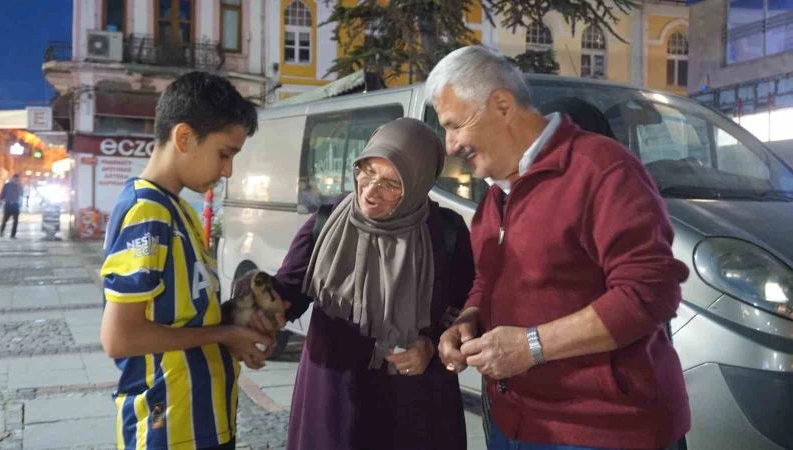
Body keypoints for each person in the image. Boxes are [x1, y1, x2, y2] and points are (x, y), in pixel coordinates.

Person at [428, 46, 691, 450]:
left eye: (453, 125)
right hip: (515, 424)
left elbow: (649, 293)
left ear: (501, 105)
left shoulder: (601, 169)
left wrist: (531, 346)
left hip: (603, 430)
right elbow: (487, 277)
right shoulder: (494, 197)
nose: (448, 146)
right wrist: (469, 318)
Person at [271, 118, 474, 450]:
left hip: (414, 407)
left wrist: (430, 347)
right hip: (333, 402)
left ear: (419, 182)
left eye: (392, 183)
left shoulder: (446, 234)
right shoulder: (326, 221)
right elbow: (288, 291)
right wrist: (263, 311)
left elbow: (465, 312)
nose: (369, 191)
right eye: (366, 172)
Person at [99, 71, 277, 450]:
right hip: (167, 430)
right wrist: (224, 334)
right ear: (184, 138)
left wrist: (237, 320)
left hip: (205, 421)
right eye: (224, 154)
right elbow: (120, 337)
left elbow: (183, 312)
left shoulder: (180, 211)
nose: (227, 170)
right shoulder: (147, 212)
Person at [0, 173, 23, 239]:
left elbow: (22, 194)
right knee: (5, 220)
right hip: (8, 205)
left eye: (17, 179)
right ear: (12, 178)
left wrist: (19, 186)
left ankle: (13, 235)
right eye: (15, 179)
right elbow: (2, 193)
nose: (16, 180)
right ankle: (1, 232)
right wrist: (1, 201)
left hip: (15, 205)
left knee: (15, 221)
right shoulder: (7, 185)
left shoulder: (19, 186)